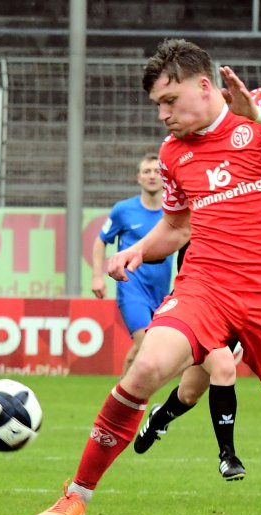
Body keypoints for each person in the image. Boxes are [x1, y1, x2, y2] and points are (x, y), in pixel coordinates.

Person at [33, 39, 261, 515]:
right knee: (147, 367)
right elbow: (177, 225)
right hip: (207, 286)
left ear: (204, 87)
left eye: (169, 101)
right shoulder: (173, 153)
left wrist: (259, 116)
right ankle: (77, 495)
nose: (163, 115)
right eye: (157, 105)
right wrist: (139, 249)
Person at [133, 244, 247, 481]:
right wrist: (141, 252)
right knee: (224, 366)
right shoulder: (197, 224)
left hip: (233, 310)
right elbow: (168, 239)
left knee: (188, 394)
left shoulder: (249, 229)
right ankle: (228, 456)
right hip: (196, 306)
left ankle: (159, 418)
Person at [92, 154, 174, 376]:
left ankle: (120, 392)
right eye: (147, 171)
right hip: (131, 289)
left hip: (161, 292)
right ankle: (134, 394)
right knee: (150, 347)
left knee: (140, 350)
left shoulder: (173, 212)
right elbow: (101, 241)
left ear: (165, 177)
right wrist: (97, 277)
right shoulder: (123, 210)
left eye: (157, 171)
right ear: (138, 178)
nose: (152, 176)